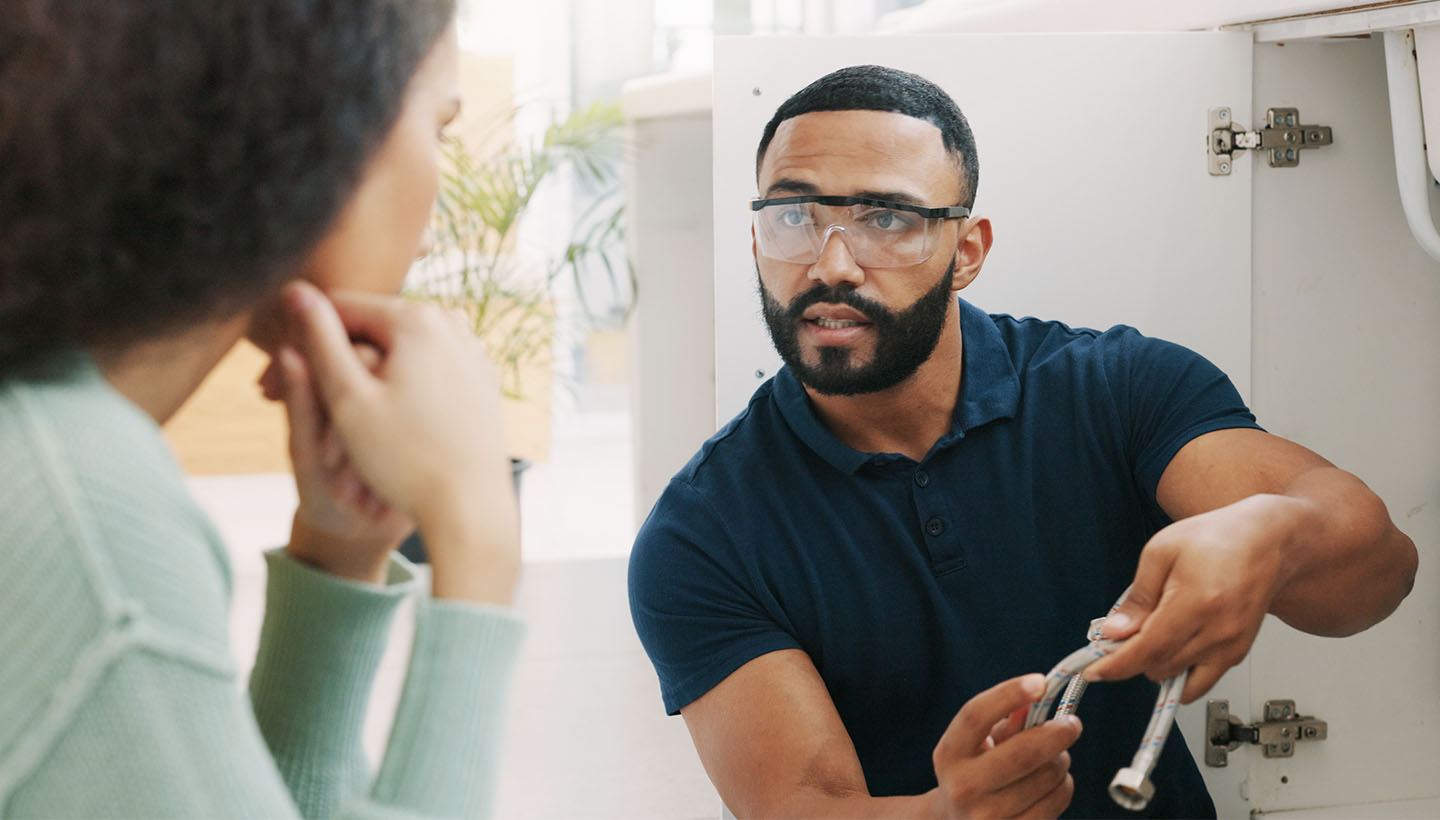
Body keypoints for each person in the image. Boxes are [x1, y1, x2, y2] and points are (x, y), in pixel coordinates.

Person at [628, 64, 1418, 819]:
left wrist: (1271, 538)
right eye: (794, 216)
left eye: (887, 219)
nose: (831, 265)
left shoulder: (1116, 387)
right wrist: (944, 816)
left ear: (966, 252)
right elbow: (800, 804)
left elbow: (1379, 575)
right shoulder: (703, 533)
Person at [0, 1, 523, 816]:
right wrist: (477, 542)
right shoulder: (82, 512)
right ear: (321, 128)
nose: (434, 221)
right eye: (438, 130)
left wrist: (337, 558)